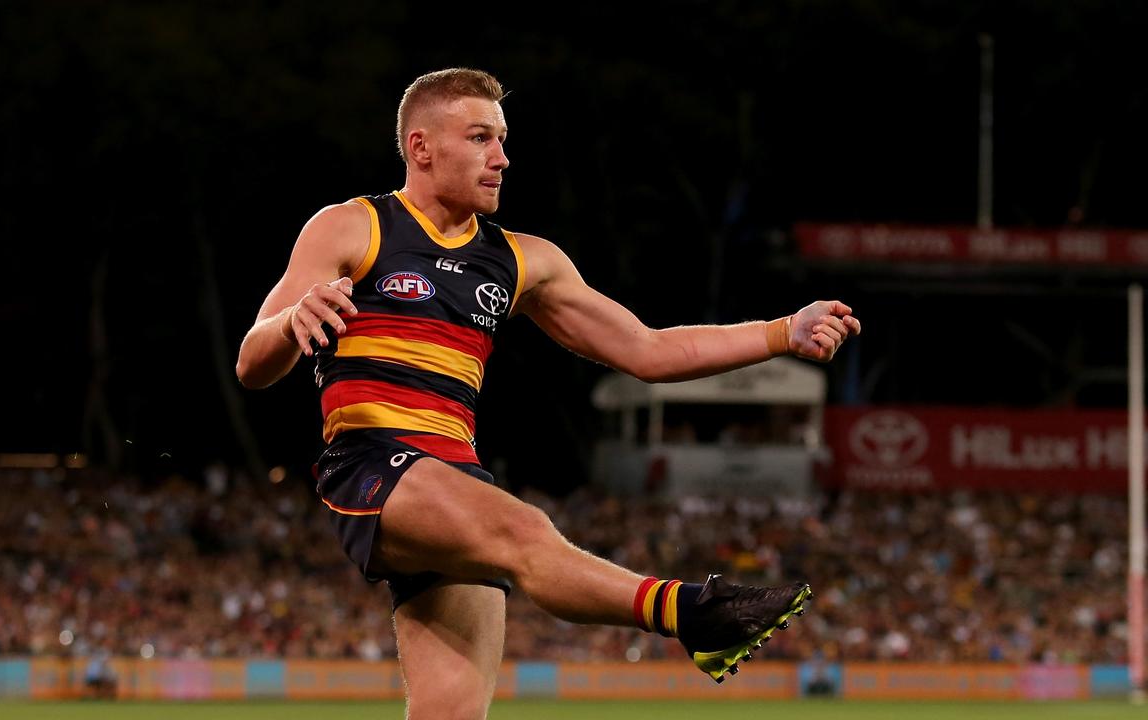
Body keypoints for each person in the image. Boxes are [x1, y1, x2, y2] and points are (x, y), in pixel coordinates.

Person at [237, 68, 861, 718]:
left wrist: (782, 331)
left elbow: (647, 351)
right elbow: (253, 362)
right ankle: (693, 613)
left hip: (456, 484)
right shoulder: (351, 227)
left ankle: (692, 618)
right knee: (525, 529)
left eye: (503, 139)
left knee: (451, 715)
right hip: (372, 468)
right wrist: (290, 322)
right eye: (480, 137)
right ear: (421, 148)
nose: (502, 157)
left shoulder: (523, 261)